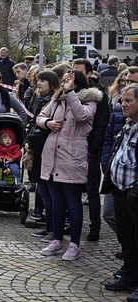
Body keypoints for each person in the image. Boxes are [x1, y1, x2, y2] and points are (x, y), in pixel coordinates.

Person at [36, 70, 101, 261]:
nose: (64, 84)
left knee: (73, 202)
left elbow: (82, 116)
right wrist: (47, 123)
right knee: (56, 203)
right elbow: (40, 116)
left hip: (72, 158)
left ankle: (74, 244)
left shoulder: (89, 101)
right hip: (52, 156)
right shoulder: (57, 99)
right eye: (63, 81)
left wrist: (71, 93)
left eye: (68, 81)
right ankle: (57, 239)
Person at [102, 82, 138, 302]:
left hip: (134, 194)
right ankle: (130, 275)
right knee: (127, 239)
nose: (123, 104)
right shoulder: (127, 125)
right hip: (121, 193)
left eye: (128, 101)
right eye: (122, 100)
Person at [72, 58, 110, 242]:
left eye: (79, 72)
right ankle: (71, 225)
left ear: (88, 74)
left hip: (89, 149)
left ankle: (95, 227)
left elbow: (103, 122)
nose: (75, 75)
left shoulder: (99, 95)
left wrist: (94, 147)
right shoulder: (70, 92)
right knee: (72, 190)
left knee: (92, 190)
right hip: (71, 149)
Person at [25, 71, 62, 239]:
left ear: (52, 83)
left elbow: (43, 129)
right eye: (38, 80)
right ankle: (49, 228)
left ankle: (54, 230)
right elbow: (33, 123)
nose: (39, 83)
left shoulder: (54, 101)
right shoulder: (40, 98)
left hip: (47, 150)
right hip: (38, 149)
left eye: (43, 81)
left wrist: (32, 140)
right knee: (43, 191)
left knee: (49, 194)